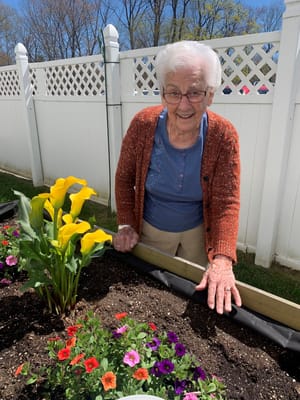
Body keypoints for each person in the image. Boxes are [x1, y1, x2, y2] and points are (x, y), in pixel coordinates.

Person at [113, 40, 242, 314]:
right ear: (162, 95)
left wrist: (221, 258)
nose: (184, 104)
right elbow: (124, 179)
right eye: (174, 92)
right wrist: (126, 224)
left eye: (194, 92)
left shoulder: (224, 135)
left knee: (191, 303)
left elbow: (226, 201)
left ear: (210, 95)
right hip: (151, 231)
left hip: (198, 236)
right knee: (147, 300)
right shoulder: (142, 125)